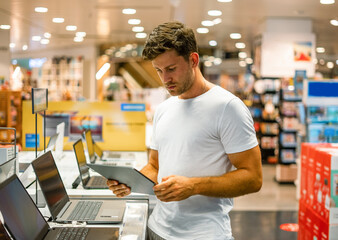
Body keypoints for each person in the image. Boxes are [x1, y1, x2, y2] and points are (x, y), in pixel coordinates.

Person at [107, 21, 262, 240]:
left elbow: (253, 177)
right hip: (157, 228)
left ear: (193, 60)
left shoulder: (227, 107)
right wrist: (131, 183)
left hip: (204, 234)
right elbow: (154, 166)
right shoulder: (164, 109)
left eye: (171, 69)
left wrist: (193, 186)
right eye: (159, 71)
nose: (165, 79)